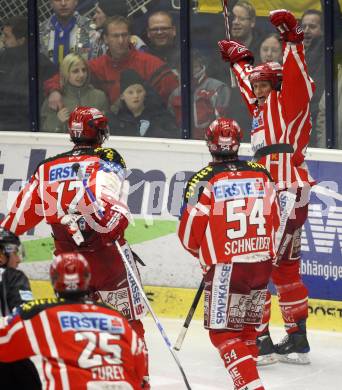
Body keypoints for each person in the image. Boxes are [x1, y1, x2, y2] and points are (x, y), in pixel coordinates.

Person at [1, 106, 150, 387]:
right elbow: (108, 208)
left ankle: (78, 377)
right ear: (101, 132)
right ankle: (138, 381)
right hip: (109, 261)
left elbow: (13, 222)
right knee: (128, 324)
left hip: (68, 263)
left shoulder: (46, 167)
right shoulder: (107, 158)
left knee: (74, 322)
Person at [218, 9, 316, 365]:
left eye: (264, 84)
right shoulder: (262, 107)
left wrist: (292, 40)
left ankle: (258, 341)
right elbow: (249, 83)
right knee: (286, 269)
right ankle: (297, 338)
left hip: (285, 193)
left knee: (257, 266)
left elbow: (297, 78)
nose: (256, 90)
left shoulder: (288, 101)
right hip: (285, 195)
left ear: (276, 84)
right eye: (255, 84)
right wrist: (239, 60)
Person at [178, 117, 280, 390]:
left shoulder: (204, 180)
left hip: (227, 267)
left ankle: (250, 386)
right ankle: (249, 380)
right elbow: (276, 221)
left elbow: (188, 234)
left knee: (222, 333)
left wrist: (207, 258)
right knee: (248, 330)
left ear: (210, 144)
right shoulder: (261, 173)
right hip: (262, 265)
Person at [0, 252, 148, 389]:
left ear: (53, 280)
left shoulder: (39, 314)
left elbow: (4, 343)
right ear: (87, 278)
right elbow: (140, 368)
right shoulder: (116, 316)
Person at [45, 16, 179, 114]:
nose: (121, 40)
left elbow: (175, 97)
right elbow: (63, 76)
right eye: (115, 36)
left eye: (124, 35)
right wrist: (54, 91)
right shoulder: (96, 66)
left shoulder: (151, 64)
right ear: (105, 39)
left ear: (130, 36)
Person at [0, 227, 41, 389]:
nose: (18, 259)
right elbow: (25, 316)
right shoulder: (14, 276)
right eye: (15, 252)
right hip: (7, 359)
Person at [0, 16, 57, 131]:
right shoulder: (2, 59)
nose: (3, 40)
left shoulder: (41, 64)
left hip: (27, 125)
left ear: (21, 40)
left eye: (7, 36)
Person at [169, 49, 231, 139]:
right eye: (185, 67)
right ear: (178, 70)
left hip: (211, 141)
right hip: (182, 142)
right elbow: (171, 123)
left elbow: (223, 121)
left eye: (194, 67)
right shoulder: (175, 94)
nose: (191, 71)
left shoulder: (219, 87)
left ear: (202, 65)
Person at [40, 53, 109, 132]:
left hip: (93, 143)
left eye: (84, 70)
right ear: (66, 73)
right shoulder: (55, 99)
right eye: (75, 71)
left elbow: (108, 130)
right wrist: (57, 121)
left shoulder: (99, 96)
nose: (81, 75)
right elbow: (42, 133)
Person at [110, 69, 180, 138]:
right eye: (130, 92)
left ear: (145, 93)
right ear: (122, 96)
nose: (136, 96)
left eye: (139, 91)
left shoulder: (161, 116)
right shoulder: (113, 118)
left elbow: (174, 139)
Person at [40, 0, 95, 65]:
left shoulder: (90, 28)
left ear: (76, 1)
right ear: (51, 3)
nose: (63, 3)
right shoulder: (41, 32)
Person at [301, 9, 324, 146]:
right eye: (303, 27)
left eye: (312, 26)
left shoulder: (324, 53)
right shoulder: (295, 54)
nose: (306, 30)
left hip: (315, 122)